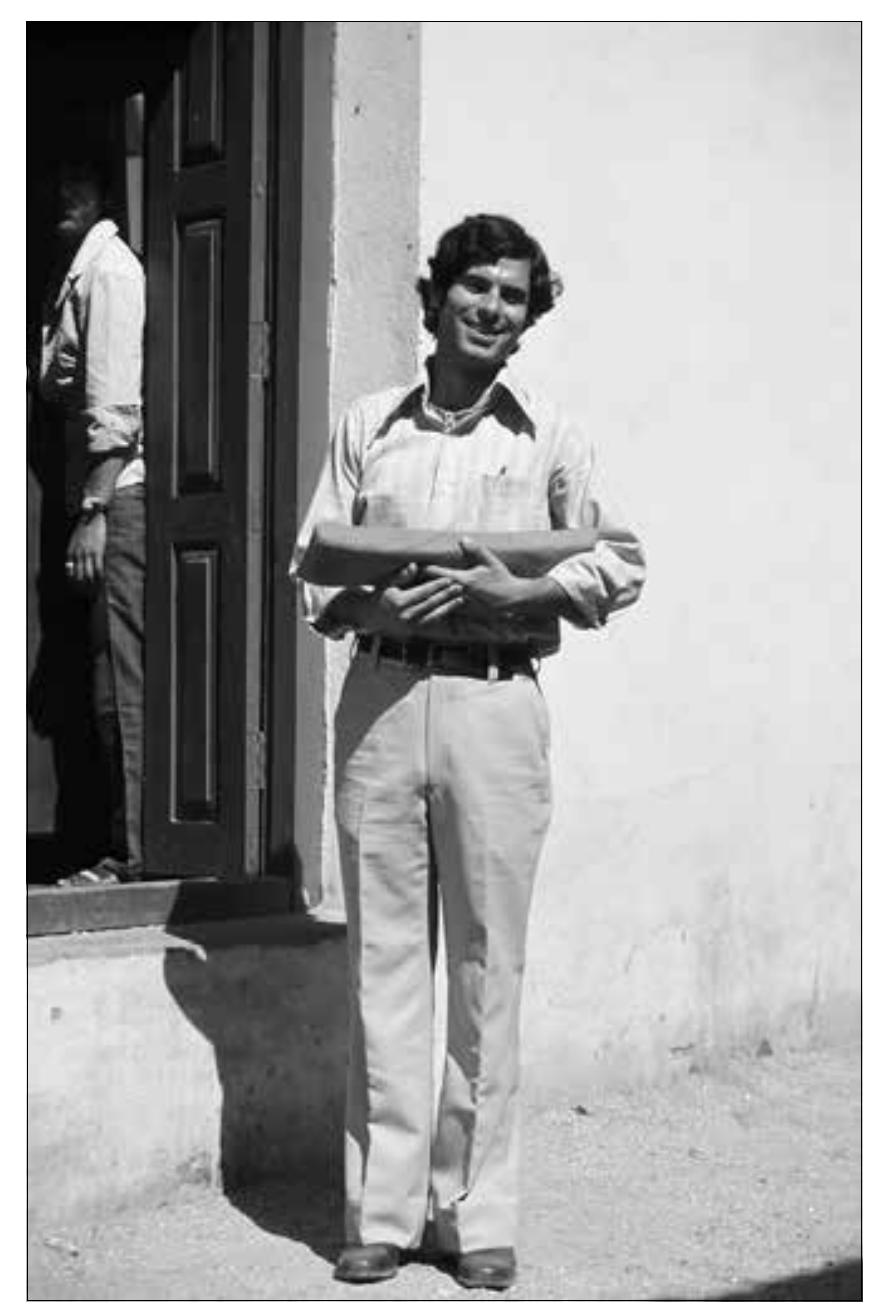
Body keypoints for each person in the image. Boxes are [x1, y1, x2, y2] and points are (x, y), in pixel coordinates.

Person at [291, 213, 645, 1290]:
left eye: (513, 296)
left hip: (496, 704)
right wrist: (375, 599)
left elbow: (618, 562)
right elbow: (313, 571)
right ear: (436, 295)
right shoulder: (369, 427)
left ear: (528, 318)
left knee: (490, 966)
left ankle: (475, 1213)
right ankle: (382, 1212)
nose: (492, 308)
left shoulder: (550, 438)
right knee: (386, 961)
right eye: (476, 287)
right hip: (384, 696)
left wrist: (523, 591)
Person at [36, 154, 146, 886]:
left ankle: (134, 852)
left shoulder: (108, 271)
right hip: (89, 493)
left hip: (114, 497)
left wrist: (95, 509)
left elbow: (116, 407)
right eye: (55, 181)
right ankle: (115, 839)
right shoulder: (73, 272)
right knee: (98, 676)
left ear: (103, 188)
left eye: (78, 180)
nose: (62, 194)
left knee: (120, 679)